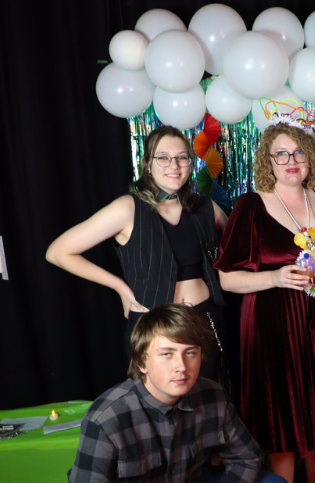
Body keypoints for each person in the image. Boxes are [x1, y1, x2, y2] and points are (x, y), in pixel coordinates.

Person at [47, 303, 290, 483]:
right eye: (167, 354)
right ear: (141, 362)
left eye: (191, 352)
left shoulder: (212, 395)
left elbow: (247, 458)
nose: (182, 366)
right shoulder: (107, 418)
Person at [213, 115, 315, 483]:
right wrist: (274, 278)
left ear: (310, 159)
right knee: (281, 417)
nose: (291, 161)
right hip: (270, 324)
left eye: (298, 153)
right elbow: (226, 278)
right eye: (281, 154)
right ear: (268, 160)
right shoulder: (251, 205)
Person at [45, 126, 227, 380]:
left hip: (205, 321)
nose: (173, 165)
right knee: (156, 411)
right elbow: (58, 252)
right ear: (147, 165)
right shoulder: (128, 208)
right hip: (153, 327)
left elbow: (237, 255)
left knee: (208, 407)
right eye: (163, 157)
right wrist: (119, 287)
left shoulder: (207, 208)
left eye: (182, 157)